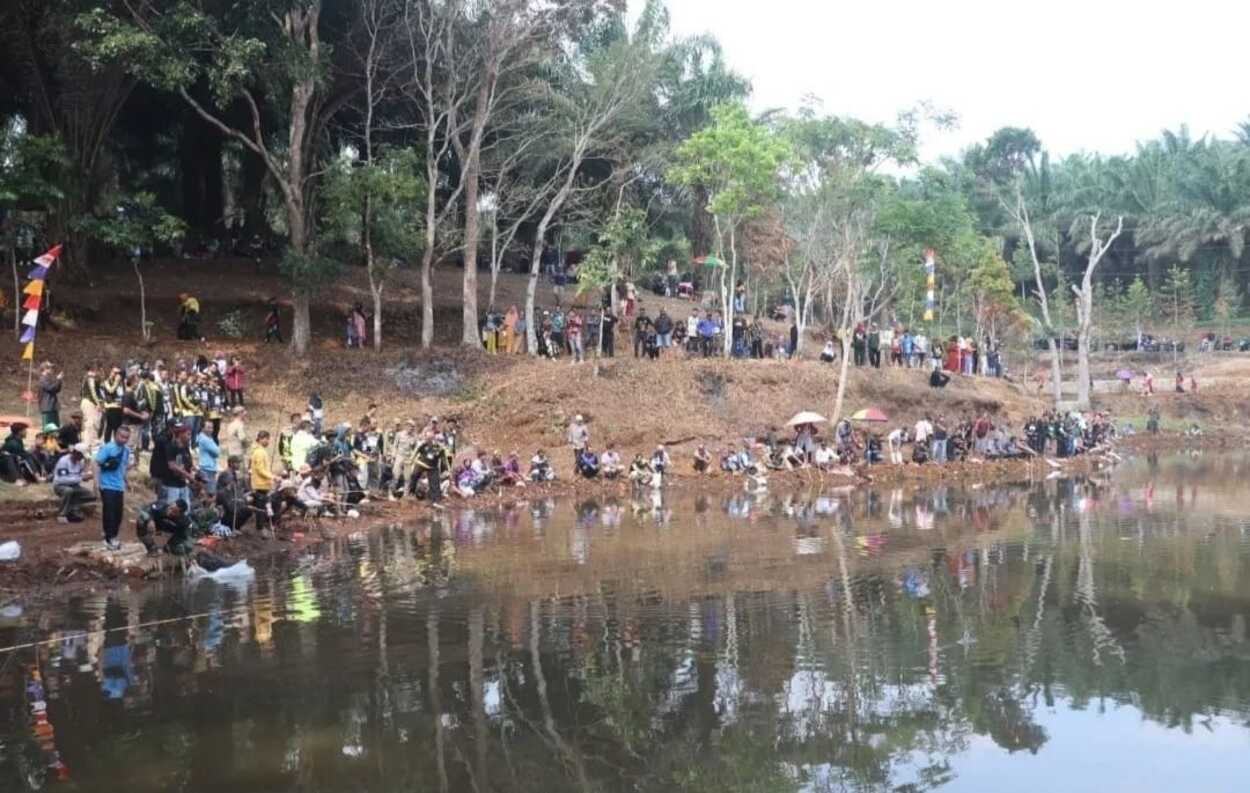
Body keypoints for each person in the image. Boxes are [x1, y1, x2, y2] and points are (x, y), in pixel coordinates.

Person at [95, 425, 132, 551]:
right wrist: (97, 483)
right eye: (122, 436)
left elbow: (123, 467)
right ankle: (108, 538)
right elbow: (97, 464)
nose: (123, 440)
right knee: (109, 513)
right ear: (116, 435)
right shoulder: (108, 448)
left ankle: (113, 536)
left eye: (126, 438)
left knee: (118, 514)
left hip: (119, 486)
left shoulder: (126, 450)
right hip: (107, 485)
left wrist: (127, 481)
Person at [151, 424, 194, 506]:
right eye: (188, 434)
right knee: (172, 507)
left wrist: (193, 471)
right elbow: (172, 465)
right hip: (171, 484)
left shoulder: (185, 447)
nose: (190, 437)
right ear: (181, 434)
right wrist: (187, 475)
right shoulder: (171, 446)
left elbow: (189, 462)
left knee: (186, 508)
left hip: (183, 484)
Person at [52, 443, 96, 523]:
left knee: (91, 495)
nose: (82, 458)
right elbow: (62, 480)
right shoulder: (63, 461)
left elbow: (80, 474)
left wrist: (87, 475)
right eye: (81, 456)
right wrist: (81, 478)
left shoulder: (80, 462)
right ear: (76, 453)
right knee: (68, 491)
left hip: (74, 486)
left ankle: (72, 507)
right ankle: (62, 514)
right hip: (60, 486)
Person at [249, 431, 276, 536]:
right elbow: (260, 469)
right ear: (262, 439)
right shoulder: (259, 452)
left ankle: (261, 527)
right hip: (260, 484)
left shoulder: (260, 451)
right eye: (267, 439)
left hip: (263, 484)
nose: (268, 441)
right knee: (260, 507)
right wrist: (272, 476)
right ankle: (260, 529)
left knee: (264, 506)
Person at [100, 366, 125, 444]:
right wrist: (116, 382)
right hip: (110, 407)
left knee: (118, 428)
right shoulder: (107, 382)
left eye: (118, 373)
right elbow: (110, 390)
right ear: (111, 372)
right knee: (110, 427)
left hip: (119, 408)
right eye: (115, 372)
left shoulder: (121, 382)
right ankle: (107, 443)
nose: (117, 375)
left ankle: (117, 443)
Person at [196, 425, 221, 497]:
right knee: (210, 494)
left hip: (209, 467)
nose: (211, 430)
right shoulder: (205, 440)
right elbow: (217, 451)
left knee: (208, 493)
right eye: (208, 427)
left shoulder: (207, 438)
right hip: (207, 468)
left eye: (212, 428)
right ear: (203, 428)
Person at [38, 362, 63, 429]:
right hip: (47, 407)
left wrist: (59, 381)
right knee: (48, 428)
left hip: (52, 407)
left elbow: (56, 389)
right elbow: (51, 388)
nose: (52, 369)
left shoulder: (48, 379)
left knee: (55, 428)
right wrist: (58, 380)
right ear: (45, 369)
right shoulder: (43, 379)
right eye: (50, 368)